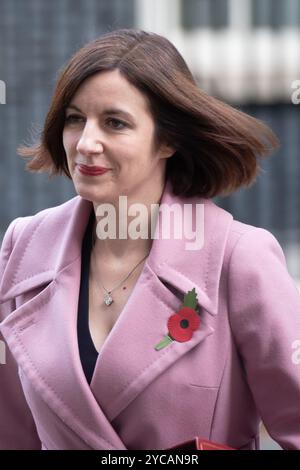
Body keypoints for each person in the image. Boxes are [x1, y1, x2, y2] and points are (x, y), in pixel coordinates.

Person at [0, 28, 300, 451]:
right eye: (74, 119)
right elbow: (11, 435)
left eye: (114, 123)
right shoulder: (23, 249)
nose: (86, 143)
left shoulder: (239, 259)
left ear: (169, 140)